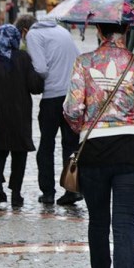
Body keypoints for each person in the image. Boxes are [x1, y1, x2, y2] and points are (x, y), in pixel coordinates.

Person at [63, 23, 134, 268]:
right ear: (126, 32)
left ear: (100, 33)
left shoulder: (84, 62)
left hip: (94, 150)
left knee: (98, 221)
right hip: (130, 148)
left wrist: (87, 122)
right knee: (124, 225)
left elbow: (73, 110)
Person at [0, 24, 44, 208]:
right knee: (19, 154)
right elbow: (35, 87)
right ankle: (16, 194)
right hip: (20, 114)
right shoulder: (23, 58)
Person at [23, 15, 82, 206]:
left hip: (51, 97)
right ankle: (72, 189)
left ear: (24, 31)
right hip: (71, 96)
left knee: (46, 146)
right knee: (71, 145)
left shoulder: (33, 35)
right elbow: (78, 57)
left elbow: (41, 68)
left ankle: (48, 192)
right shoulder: (63, 31)